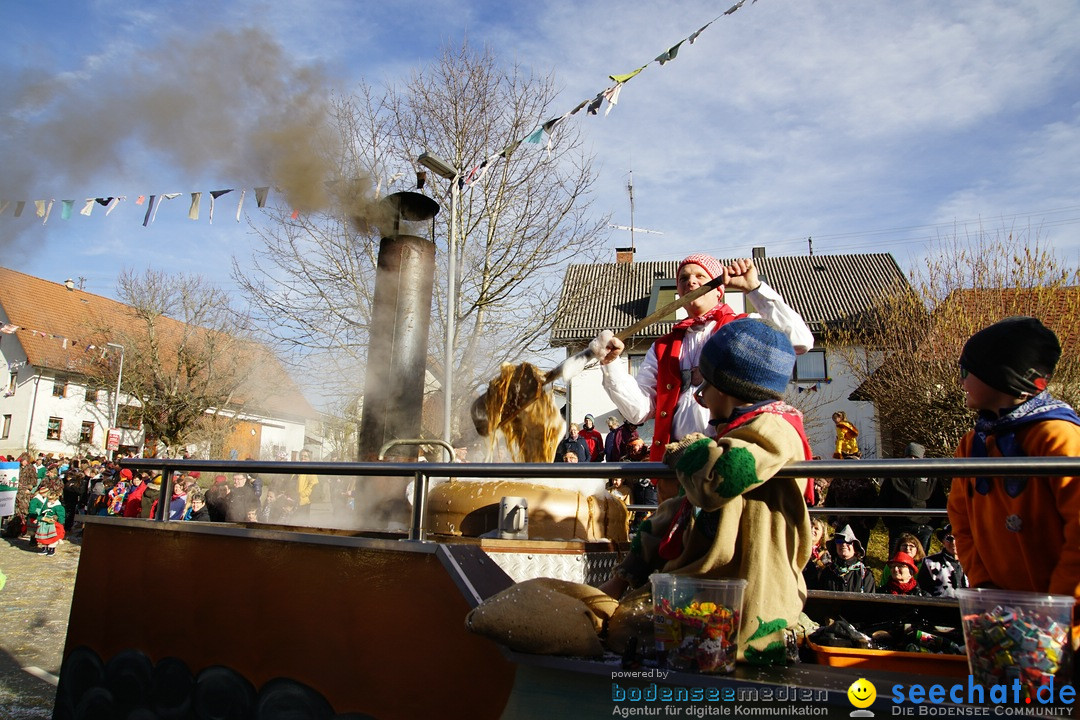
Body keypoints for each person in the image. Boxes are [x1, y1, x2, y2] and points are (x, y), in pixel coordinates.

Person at [598, 318, 813, 665]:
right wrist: (624, 576)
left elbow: (718, 480)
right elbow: (674, 514)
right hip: (708, 591)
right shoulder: (730, 434)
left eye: (704, 384)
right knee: (623, 626)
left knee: (632, 632)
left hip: (749, 598)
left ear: (725, 390)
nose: (698, 395)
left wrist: (685, 448)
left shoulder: (776, 429)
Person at [591, 253, 813, 502]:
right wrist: (611, 366)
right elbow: (638, 411)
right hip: (674, 469)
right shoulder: (662, 347)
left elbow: (800, 341)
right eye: (684, 278)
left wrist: (754, 288)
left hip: (729, 461)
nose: (691, 282)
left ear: (719, 289)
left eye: (700, 277)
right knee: (677, 540)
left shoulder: (743, 327)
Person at [947, 316, 1080, 612]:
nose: (961, 380)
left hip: (1063, 616)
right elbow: (960, 516)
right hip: (1006, 611)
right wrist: (983, 584)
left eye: (968, 370)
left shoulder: (1057, 436)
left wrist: (1060, 607)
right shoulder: (972, 444)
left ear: (1002, 377)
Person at [877, 442, 948, 555]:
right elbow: (883, 500)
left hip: (923, 527)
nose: (912, 459)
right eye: (909, 456)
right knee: (896, 559)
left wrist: (932, 525)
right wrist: (890, 523)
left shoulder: (931, 478)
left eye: (916, 457)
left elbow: (939, 500)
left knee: (920, 561)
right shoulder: (893, 477)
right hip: (898, 526)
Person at [820, 524, 876, 593]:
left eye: (848, 542)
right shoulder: (827, 573)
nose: (843, 544)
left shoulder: (865, 575)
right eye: (839, 541)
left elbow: (869, 602)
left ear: (855, 547)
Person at [918, 524, 968, 597]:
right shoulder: (930, 562)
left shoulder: (972, 561)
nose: (953, 542)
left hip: (968, 607)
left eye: (957, 538)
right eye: (949, 538)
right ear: (943, 541)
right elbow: (924, 590)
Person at [803, 518, 833, 590]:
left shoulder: (827, 553)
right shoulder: (796, 549)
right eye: (810, 527)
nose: (812, 530)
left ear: (822, 533)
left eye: (816, 528)